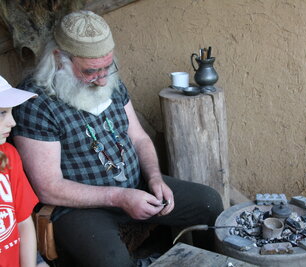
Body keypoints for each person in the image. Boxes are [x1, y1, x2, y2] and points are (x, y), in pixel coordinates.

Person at [12, 10, 224, 267]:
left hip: (134, 187)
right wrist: (119, 197)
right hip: (80, 208)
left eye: (107, 68)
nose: (102, 81)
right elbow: (49, 187)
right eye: (91, 72)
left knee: (209, 203)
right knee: (112, 261)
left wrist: (154, 178)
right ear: (59, 60)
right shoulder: (35, 102)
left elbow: (139, 138)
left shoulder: (109, 80)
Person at [0, 75, 39, 267]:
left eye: (10, 112)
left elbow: (24, 222)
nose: (12, 122)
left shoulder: (8, 155)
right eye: (2, 113)